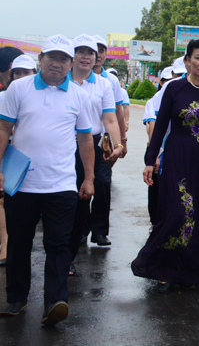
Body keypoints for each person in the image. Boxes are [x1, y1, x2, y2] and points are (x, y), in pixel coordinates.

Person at [0, 35, 95, 325]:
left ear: (70, 64)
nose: (57, 63)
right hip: (21, 183)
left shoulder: (79, 95)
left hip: (62, 185)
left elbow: (85, 139)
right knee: (18, 243)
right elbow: (4, 129)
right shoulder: (18, 88)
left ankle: (55, 302)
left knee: (58, 243)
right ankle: (17, 298)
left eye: (63, 59)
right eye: (51, 57)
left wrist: (89, 178)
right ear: (40, 59)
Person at [132, 39, 199, 293]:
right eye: (198, 57)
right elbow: (159, 129)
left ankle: (194, 273)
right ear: (187, 61)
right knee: (176, 213)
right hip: (178, 157)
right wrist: (150, 159)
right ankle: (160, 265)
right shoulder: (174, 89)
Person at [67, 35, 123, 273]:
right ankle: (75, 236)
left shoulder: (103, 84)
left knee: (99, 187)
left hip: (96, 145)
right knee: (71, 196)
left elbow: (110, 118)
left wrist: (119, 145)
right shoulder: (62, 80)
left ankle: (98, 231)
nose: (86, 57)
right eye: (81, 52)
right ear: (73, 56)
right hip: (65, 147)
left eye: (91, 53)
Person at [87, 35, 127, 245]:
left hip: (103, 143)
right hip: (80, 141)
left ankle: (100, 231)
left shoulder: (109, 81)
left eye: (102, 50)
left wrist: (122, 141)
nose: (99, 55)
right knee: (81, 185)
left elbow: (117, 112)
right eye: (95, 51)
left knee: (103, 184)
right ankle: (80, 229)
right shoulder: (75, 78)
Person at [0, 55, 37, 268]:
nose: (20, 77)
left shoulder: (38, 97)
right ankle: (6, 244)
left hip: (21, 156)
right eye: (17, 72)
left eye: (26, 72)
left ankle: (9, 246)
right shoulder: (3, 97)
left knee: (9, 198)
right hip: (5, 151)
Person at [143, 67, 174, 227]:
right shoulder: (155, 100)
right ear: (161, 83)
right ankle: (156, 223)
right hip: (160, 150)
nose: (171, 82)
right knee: (157, 190)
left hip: (178, 151)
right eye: (167, 80)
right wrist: (155, 152)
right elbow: (152, 126)